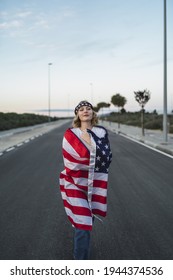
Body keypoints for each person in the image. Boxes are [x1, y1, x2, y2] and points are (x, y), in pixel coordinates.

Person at [59, 100, 112, 260]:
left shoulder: (101, 132)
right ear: (77, 114)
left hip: (94, 182)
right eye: (81, 109)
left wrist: (90, 142)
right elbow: (69, 159)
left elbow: (106, 156)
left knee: (87, 222)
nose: (85, 111)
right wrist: (90, 152)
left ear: (93, 113)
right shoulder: (71, 134)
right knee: (83, 224)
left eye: (88, 108)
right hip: (74, 182)